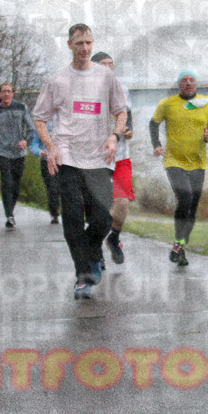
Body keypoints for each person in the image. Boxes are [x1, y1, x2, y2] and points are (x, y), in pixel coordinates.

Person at [33, 23, 127, 300]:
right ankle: (83, 276)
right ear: (69, 45)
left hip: (98, 157)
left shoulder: (106, 78)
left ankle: (92, 251)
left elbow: (121, 112)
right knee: (73, 218)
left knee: (102, 218)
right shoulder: (58, 81)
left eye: (88, 43)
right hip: (68, 157)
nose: (85, 48)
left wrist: (113, 137)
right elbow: (40, 119)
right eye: (79, 43)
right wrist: (50, 146)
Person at [149, 70, 208, 267]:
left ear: (196, 84)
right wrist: (156, 144)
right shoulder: (167, 104)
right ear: (179, 85)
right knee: (186, 197)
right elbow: (153, 124)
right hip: (174, 161)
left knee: (192, 208)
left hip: (198, 162)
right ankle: (179, 245)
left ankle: (179, 246)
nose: (188, 83)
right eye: (184, 81)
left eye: (192, 80)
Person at [92, 52, 134, 266]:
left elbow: (130, 121)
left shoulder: (123, 90)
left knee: (122, 203)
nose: (109, 68)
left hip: (121, 156)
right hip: (97, 159)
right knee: (99, 209)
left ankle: (114, 238)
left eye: (111, 64)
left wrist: (128, 131)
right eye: (103, 65)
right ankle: (95, 250)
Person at [0, 83, 35, 229]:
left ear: (13, 93)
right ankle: (9, 215)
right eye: (4, 91)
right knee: (7, 182)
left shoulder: (22, 107)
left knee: (16, 184)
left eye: (9, 91)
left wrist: (26, 141)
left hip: (19, 152)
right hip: (2, 151)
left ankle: (10, 211)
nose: (6, 94)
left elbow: (31, 128)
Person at [29, 119, 61, 225]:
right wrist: (40, 152)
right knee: (52, 188)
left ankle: (68, 213)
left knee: (65, 189)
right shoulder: (40, 123)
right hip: (47, 161)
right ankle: (54, 214)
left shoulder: (64, 118)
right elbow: (33, 146)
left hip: (64, 162)